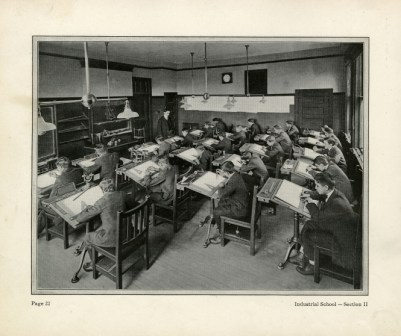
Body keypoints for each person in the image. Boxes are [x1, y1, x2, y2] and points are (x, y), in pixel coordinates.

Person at [289, 172, 357, 275]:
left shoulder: (337, 203)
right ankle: (302, 254)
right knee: (308, 224)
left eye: (317, 185)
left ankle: (312, 265)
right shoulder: (334, 192)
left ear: (325, 187)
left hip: (341, 240)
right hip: (340, 228)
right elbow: (321, 195)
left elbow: (318, 217)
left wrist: (309, 203)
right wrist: (309, 194)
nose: (315, 188)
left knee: (308, 233)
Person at [72, 179, 126, 272]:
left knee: (88, 236)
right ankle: (83, 247)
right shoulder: (122, 194)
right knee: (101, 229)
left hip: (113, 238)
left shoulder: (102, 201)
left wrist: (86, 209)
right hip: (127, 232)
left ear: (103, 190)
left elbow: (80, 219)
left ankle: (93, 264)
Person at [205, 161, 250, 244]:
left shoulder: (233, 180)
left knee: (216, 211)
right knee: (221, 203)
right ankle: (220, 223)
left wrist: (220, 184)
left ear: (226, 172)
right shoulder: (236, 175)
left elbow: (221, 194)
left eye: (223, 171)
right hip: (240, 202)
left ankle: (221, 236)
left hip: (240, 209)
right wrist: (224, 177)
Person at [37, 157, 84, 236]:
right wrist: (58, 176)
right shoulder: (78, 170)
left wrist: (59, 178)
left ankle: (35, 230)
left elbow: (50, 199)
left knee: (39, 202)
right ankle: (38, 227)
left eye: (58, 167)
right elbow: (68, 179)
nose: (57, 169)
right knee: (42, 210)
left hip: (63, 206)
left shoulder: (60, 180)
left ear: (61, 167)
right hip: (74, 200)